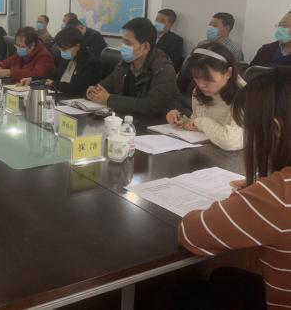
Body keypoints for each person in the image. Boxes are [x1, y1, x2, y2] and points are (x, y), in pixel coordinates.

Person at [177, 67, 291, 310]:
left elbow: (190, 232)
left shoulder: (277, 196)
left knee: (186, 290)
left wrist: (257, 197)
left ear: (275, 129)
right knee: (224, 277)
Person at [86, 18, 178, 117]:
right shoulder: (124, 64)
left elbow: (152, 106)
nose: (123, 47)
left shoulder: (163, 69)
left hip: (153, 122)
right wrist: (94, 92)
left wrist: (108, 99)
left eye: (128, 43)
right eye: (123, 42)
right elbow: (105, 85)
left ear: (146, 47)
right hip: (126, 118)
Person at [166, 43, 244, 151]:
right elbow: (198, 123)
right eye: (196, 78)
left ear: (228, 73)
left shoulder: (245, 96)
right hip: (209, 152)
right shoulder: (198, 92)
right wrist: (182, 121)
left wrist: (200, 122)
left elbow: (232, 142)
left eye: (208, 79)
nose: (201, 85)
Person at [21, 26, 102, 96]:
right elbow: (53, 76)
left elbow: (78, 89)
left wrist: (54, 84)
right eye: (60, 49)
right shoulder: (66, 59)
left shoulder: (91, 62)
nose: (62, 52)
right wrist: (33, 79)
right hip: (60, 96)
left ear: (77, 46)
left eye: (65, 49)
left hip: (75, 100)